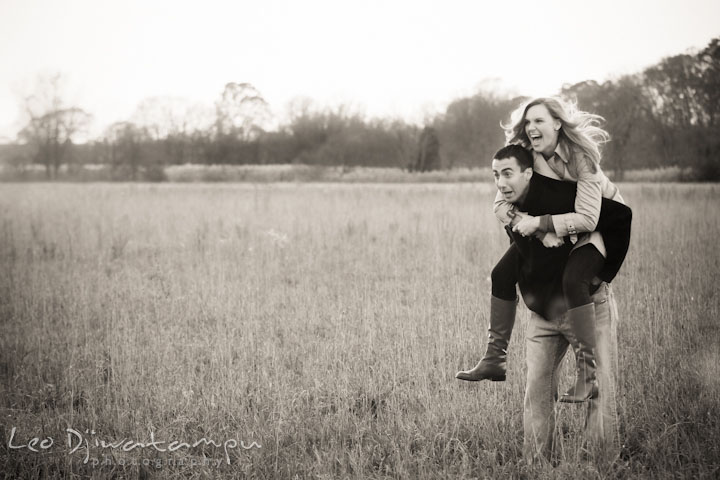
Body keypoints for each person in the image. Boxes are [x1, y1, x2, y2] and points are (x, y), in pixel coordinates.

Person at [456, 97, 628, 403]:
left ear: (558, 124)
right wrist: (533, 227)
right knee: (501, 273)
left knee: (574, 280)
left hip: (601, 223)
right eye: (528, 122)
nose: (532, 127)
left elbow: (589, 217)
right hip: (556, 220)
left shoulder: (580, 158)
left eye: (540, 121)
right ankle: (495, 358)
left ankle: (588, 376)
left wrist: (541, 224)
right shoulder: (527, 157)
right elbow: (500, 204)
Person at [463, 146, 629, 462]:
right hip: (543, 313)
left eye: (507, 173)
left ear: (530, 173)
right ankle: (537, 466)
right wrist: (534, 228)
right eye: (496, 175)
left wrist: (550, 226)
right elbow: (513, 253)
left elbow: (618, 216)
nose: (500, 182)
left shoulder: (572, 195)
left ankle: (602, 468)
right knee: (536, 394)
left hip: (588, 306)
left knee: (600, 394)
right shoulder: (511, 206)